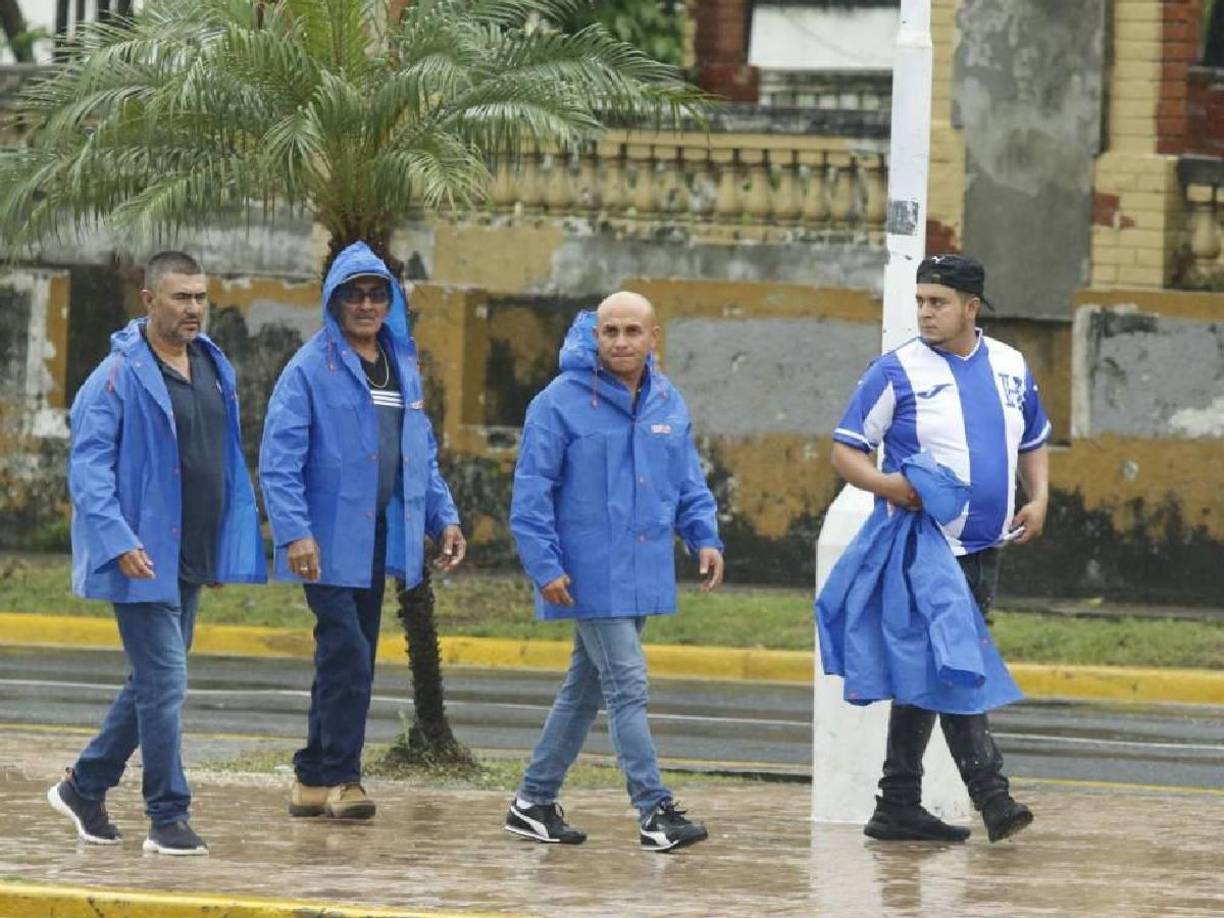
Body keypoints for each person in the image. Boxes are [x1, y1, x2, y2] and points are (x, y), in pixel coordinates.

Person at [48, 251, 266, 856]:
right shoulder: (115, 377)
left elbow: (220, 461)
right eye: (180, 297)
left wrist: (220, 545)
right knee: (166, 684)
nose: (193, 307)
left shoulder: (212, 366)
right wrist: (119, 542)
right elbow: (88, 472)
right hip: (139, 556)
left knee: (150, 685)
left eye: (200, 296)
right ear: (149, 301)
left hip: (190, 554)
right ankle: (168, 816)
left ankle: (84, 787)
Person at [830, 253, 1049, 843]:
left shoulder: (1010, 364)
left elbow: (1033, 436)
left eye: (939, 303)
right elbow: (846, 450)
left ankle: (896, 800)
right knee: (956, 664)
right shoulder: (894, 370)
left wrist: (1040, 496)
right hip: (926, 549)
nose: (925, 312)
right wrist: (888, 486)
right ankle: (993, 796)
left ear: (970, 308)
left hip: (987, 546)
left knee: (932, 667)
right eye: (921, 301)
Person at [505, 292, 725, 853]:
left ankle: (532, 802)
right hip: (586, 574)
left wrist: (704, 537)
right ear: (595, 337)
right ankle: (654, 812)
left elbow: (687, 483)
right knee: (627, 684)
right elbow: (531, 496)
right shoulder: (556, 403)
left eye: (632, 331)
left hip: (643, 571)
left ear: (655, 337)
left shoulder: (668, 401)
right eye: (610, 332)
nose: (621, 342)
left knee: (584, 689)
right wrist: (545, 566)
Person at [259, 240, 464, 821]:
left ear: (390, 302)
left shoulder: (402, 367)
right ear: (335, 300)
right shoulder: (307, 369)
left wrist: (442, 518)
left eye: (377, 295)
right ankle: (344, 778)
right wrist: (295, 533)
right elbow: (279, 459)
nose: (367, 306)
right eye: (356, 295)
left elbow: (416, 456)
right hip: (322, 542)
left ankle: (312, 778)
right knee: (346, 647)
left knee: (349, 655)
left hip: (378, 538)